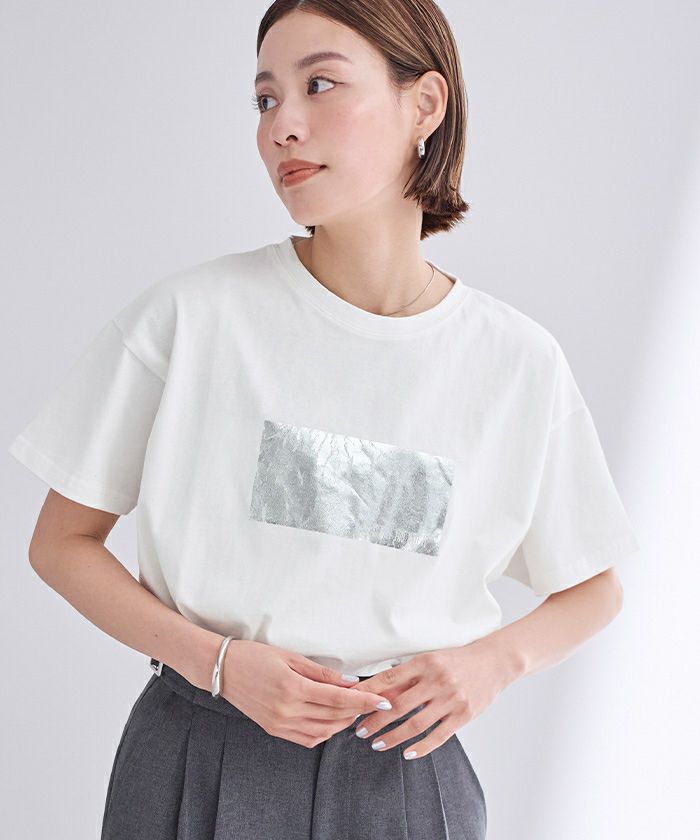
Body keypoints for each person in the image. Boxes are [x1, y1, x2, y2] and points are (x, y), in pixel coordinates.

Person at [8, 2, 641, 839]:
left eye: (320, 85)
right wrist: (219, 665)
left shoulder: (515, 361)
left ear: (425, 104)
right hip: (200, 753)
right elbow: (60, 543)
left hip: (406, 774)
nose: (283, 126)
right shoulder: (193, 320)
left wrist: (490, 664)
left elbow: (594, 586)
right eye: (266, 99)